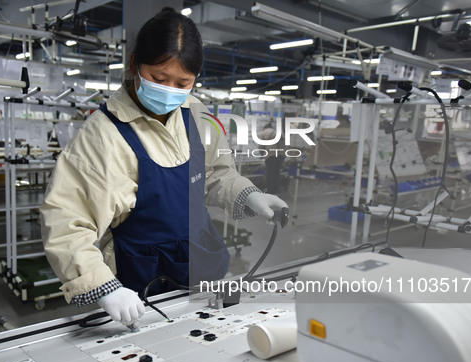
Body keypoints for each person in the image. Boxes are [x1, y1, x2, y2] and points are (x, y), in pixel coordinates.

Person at [40, 7, 287, 327]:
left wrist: (248, 194)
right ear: (134, 65)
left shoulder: (197, 114)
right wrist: (101, 286)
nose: (171, 91)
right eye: (158, 78)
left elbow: (215, 174)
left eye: (183, 83)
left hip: (202, 268)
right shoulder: (103, 135)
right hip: (138, 283)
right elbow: (67, 220)